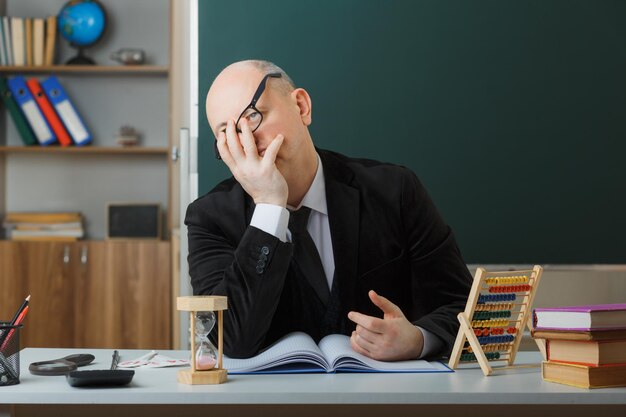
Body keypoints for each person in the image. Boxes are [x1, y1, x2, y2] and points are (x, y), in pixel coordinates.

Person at [186, 60, 472, 360]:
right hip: (269, 405)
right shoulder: (209, 218)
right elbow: (226, 340)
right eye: (227, 133)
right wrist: (269, 207)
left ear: (301, 106)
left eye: (253, 117)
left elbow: (464, 305)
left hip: (388, 400)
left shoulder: (395, 190)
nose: (247, 142)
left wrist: (419, 339)